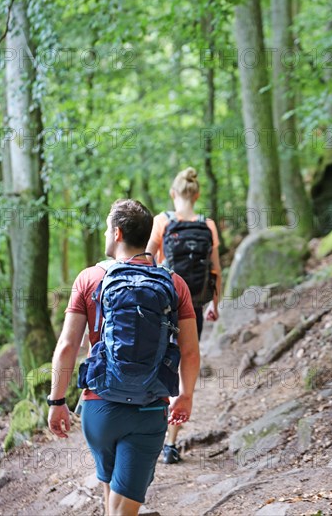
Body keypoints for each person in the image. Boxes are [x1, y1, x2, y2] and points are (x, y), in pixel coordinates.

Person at [48, 199, 200, 516]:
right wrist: (184, 396)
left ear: (117, 233)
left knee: (110, 496)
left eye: (106, 228)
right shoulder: (173, 283)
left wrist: (57, 401)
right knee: (124, 509)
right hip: (149, 408)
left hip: (98, 408)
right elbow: (189, 350)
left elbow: (66, 347)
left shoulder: (89, 279)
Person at [146, 167, 222, 464]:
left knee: (157, 364)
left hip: (165, 306)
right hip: (195, 307)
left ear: (173, 193)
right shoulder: (209, 225)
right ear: (197, 194)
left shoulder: (162, 221)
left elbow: (146, 261)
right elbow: (215, 269)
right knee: (186, 366)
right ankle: (172, 443)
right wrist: (215, 303)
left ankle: (151, 436)